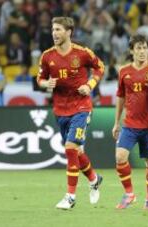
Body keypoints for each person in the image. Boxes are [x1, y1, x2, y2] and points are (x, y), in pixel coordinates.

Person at [37, 17, 104, 210]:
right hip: (60, 110)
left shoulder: (82, 53)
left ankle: (70, 197)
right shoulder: (47, 56)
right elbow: (40, 78)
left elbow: (100, 67)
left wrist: (90, 84)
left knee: (70, 147)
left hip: (81, 108)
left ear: (69, 32)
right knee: (78, 151)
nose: (54, 33)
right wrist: (45, 84)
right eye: (53, 29)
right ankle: (94, 179)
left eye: (58, 29)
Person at [112, 35, 148, 210]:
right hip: (130, 124)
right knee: (120, 157)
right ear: (131, 50)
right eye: (138, 48)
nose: (142, 52)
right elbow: (120, 97)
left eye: (144, 48)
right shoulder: (124, 71)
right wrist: (116, 122)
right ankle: (129, 193)